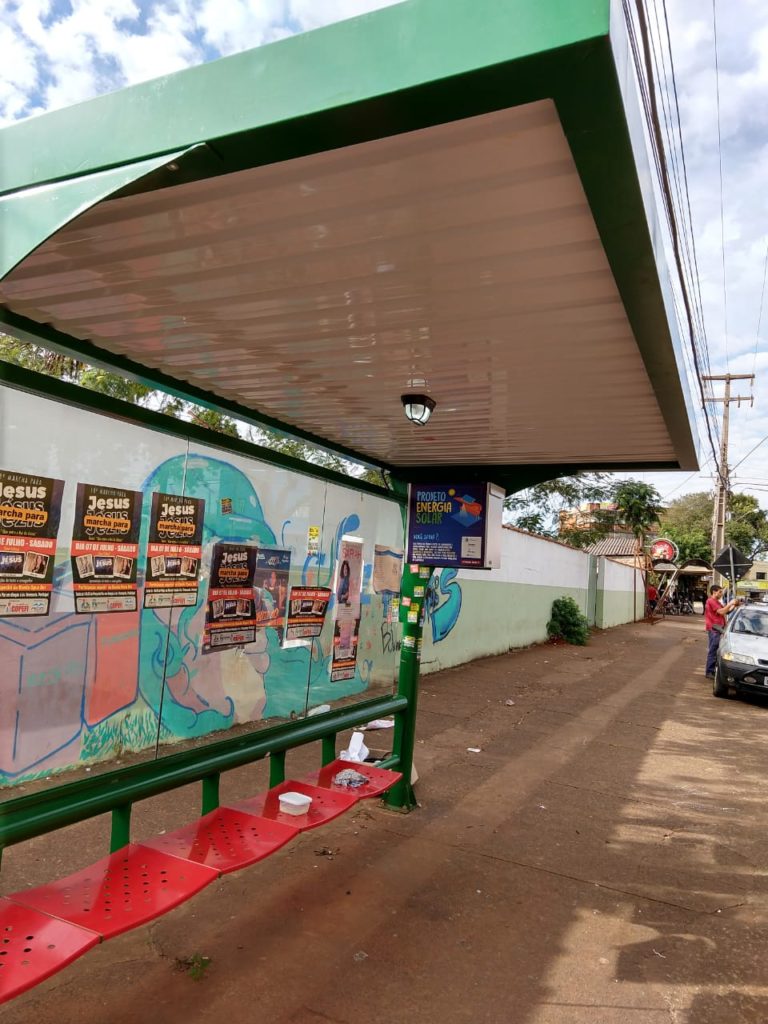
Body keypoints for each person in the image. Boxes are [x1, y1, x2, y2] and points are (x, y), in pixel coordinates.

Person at [704, 584, 741, 679]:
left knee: (715, 650)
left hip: (718, 629)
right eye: (720, 592)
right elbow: (721, 612)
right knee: (713, 650)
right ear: (714, 592)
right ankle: (709, 671)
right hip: (714, 629)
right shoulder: (711, 601)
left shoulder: (716, 602)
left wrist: (733, 605)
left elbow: (726, 611)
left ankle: (711, 670)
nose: (721, 594)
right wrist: (730, 603)